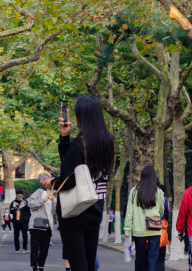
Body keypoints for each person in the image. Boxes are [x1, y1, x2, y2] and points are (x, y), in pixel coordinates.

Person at [42, 95, 115, 271]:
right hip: (95, 206)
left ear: (81, 116)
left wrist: (51, 182)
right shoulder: (108, 141)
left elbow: (67, 178)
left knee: (79, 266)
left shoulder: (79, 143)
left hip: (74, 212)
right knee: (90, 263)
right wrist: (66, 138)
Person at [124, 165, 169, 271]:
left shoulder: (134, 191)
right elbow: (161, 211)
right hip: (155, 229)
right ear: (154, 177)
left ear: (142, 176)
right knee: (153, 259)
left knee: (140, 259)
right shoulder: (158, 192)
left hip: (139, 231)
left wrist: (127, 230)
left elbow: (129, 212)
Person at [27, 175, 56, 271]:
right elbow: (30, 204)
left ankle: (41, 267)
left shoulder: (55, 194)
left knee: (45, 249)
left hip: (48, 226)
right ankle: (34, 267)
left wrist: (53, 202)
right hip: (36, 226)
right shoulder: (39, 192)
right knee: (35, 248)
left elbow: (55, 213)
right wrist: (43, 200)